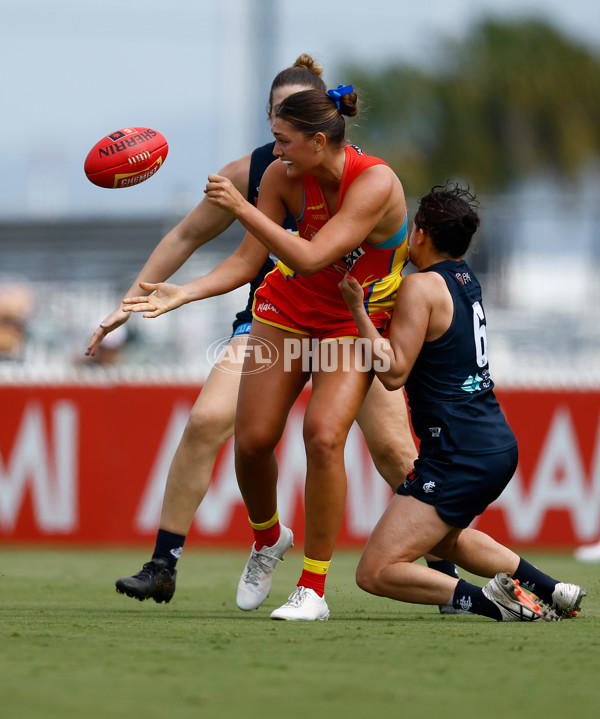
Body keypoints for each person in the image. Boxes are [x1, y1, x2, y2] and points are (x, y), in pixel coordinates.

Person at [88, 57, 454, 609]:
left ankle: (320, 586)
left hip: (353, 322)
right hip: (283, 313)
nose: (275, 150)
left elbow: (310, 258)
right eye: (272, 134)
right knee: (253, 441)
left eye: (283, 139)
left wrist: (239, 204)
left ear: (318, 135)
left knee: (336, 441)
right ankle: (264, 540)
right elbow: (244, 261)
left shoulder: (375, 181)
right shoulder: (278, 176)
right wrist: (181, 292)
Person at [338, 182, 586, 621]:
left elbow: (393, 374)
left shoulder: (422, 288)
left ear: (421, 234)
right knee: (445, 539)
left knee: (374, 571)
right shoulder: (464, 278)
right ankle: (555, 590)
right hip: (490, 442)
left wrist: (358, 309)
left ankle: (492, 603)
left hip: (458, 452)